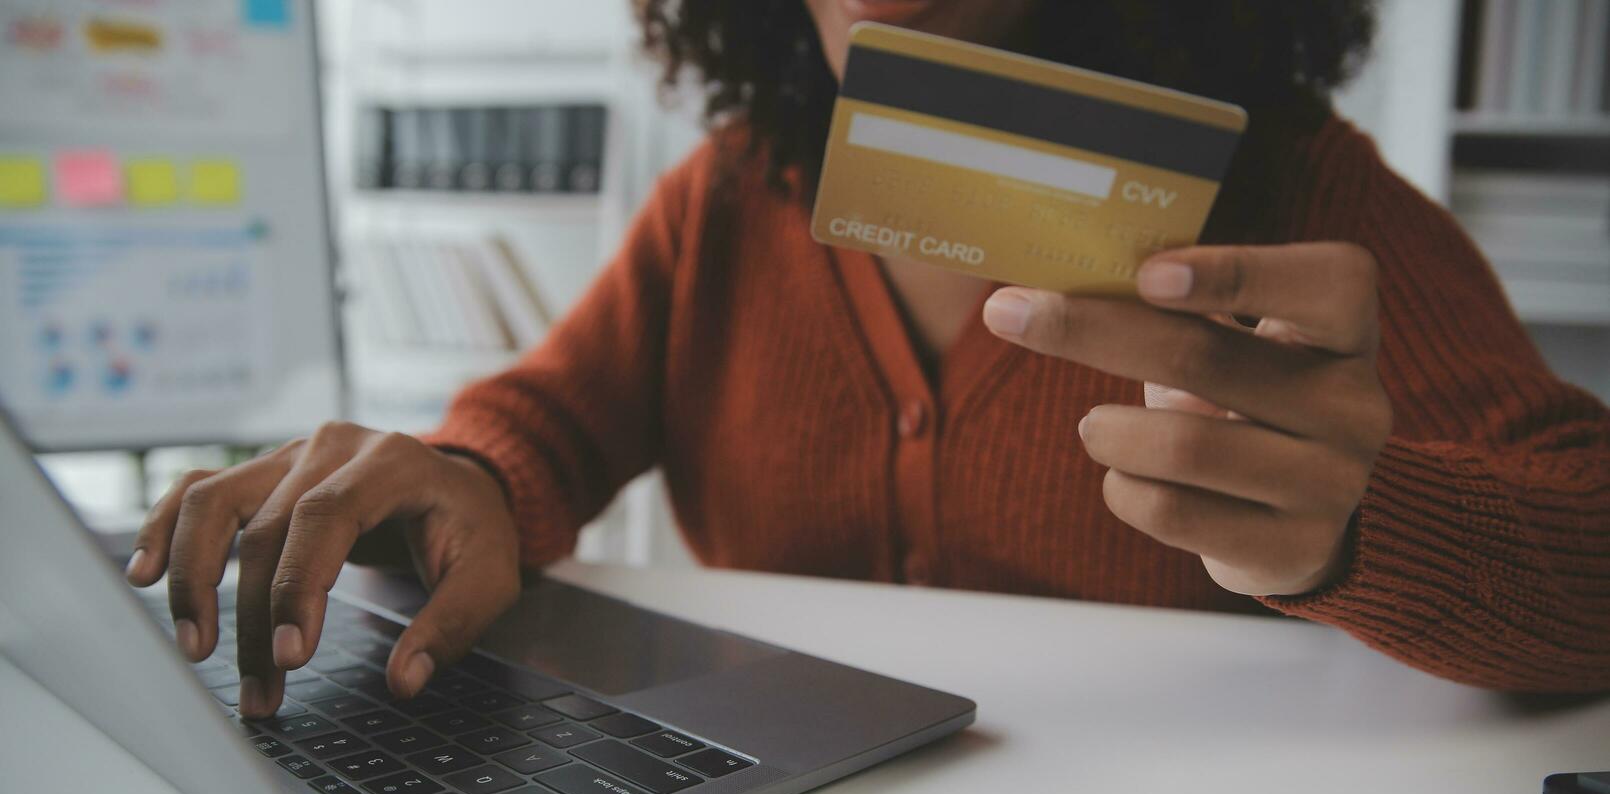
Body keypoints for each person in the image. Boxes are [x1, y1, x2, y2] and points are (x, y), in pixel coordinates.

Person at [125, 0, 1610, 718]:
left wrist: (1360, 531)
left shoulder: (1309, 205)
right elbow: (544, 426)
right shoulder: (733, 193)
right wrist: (462, 477)